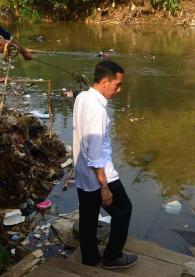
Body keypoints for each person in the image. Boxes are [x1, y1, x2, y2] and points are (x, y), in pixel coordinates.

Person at [73, 60, 138, 269]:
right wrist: (104, 187)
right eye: (117, 85)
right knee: (124, 209)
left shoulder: (82, 97)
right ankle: (112, 256)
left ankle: (90, 258)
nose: (118, 90)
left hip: (83, 173)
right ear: (103, 81)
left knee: (88, 216)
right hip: (100, 175)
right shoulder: (97, 110)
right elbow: (94, 154)